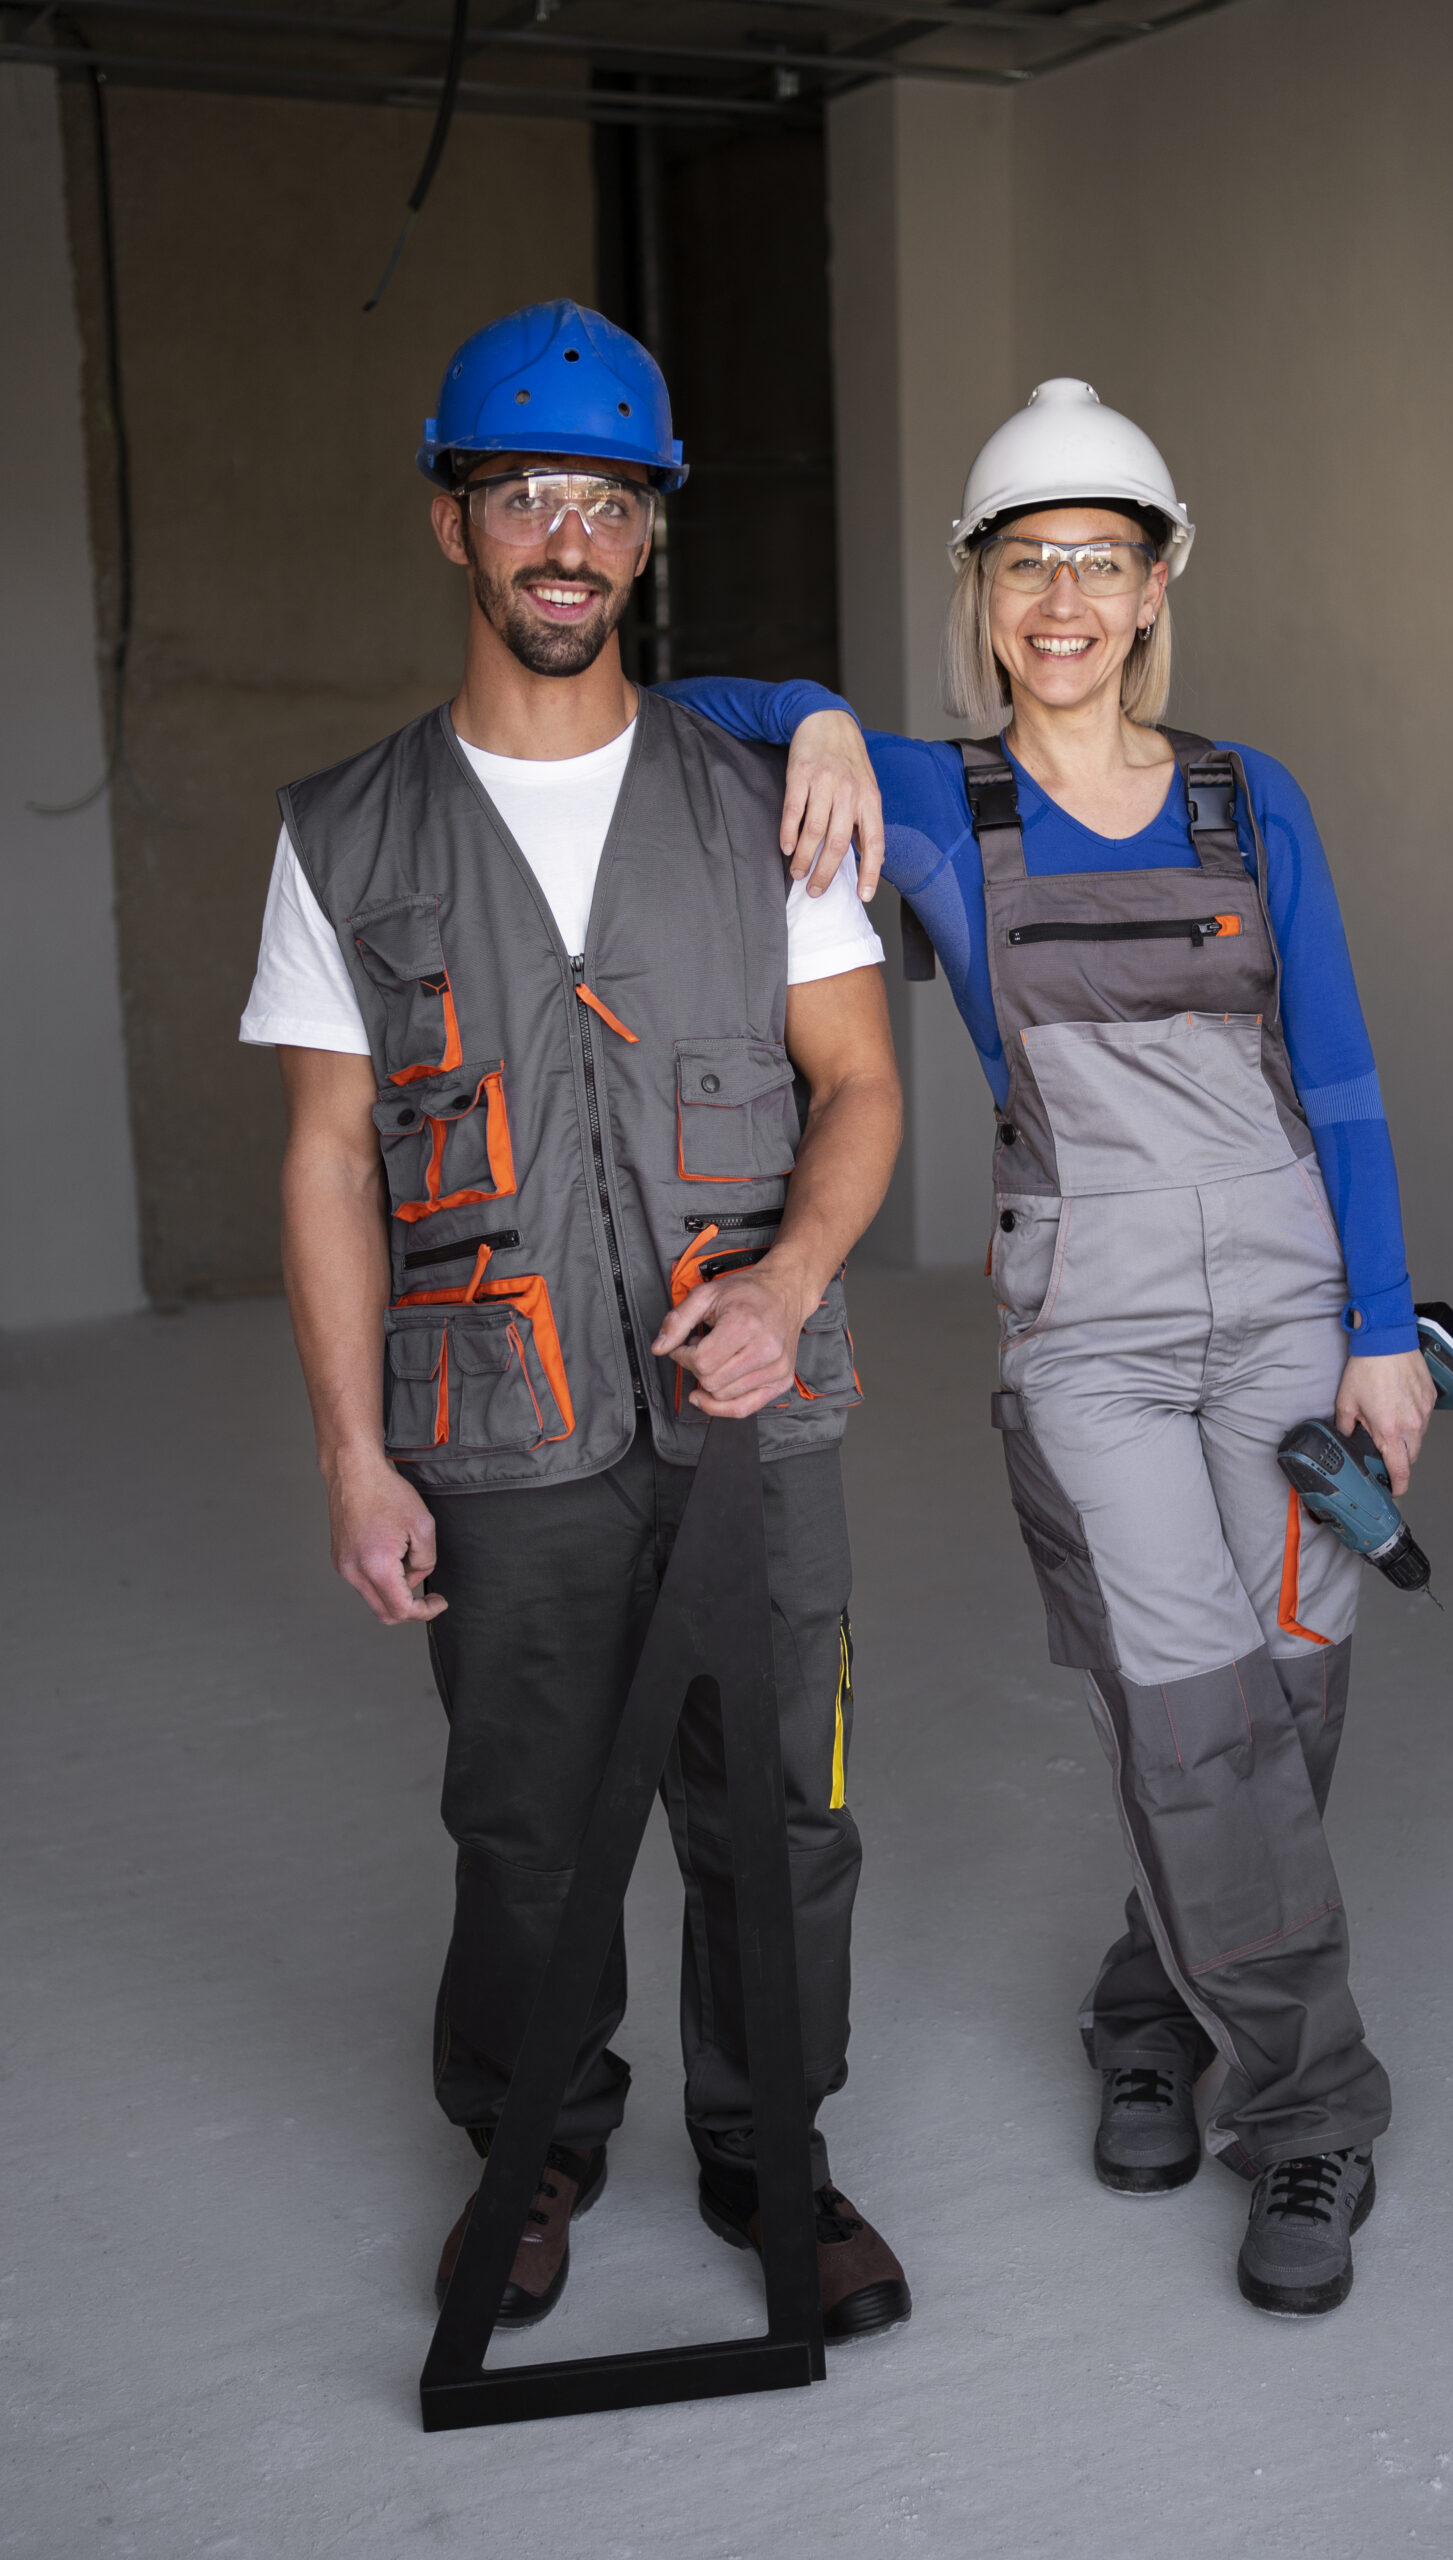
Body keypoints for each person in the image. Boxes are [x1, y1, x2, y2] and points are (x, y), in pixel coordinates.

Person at [665, 378, 1436, 2318]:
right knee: (1186, 1717)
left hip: (1285, 1317)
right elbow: (677, 717)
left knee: (1288, 1703)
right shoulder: (930, 799)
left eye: (1101, 557)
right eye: (1028, 563)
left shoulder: (1248, 798)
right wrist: (822, 716)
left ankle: (1143, 2008)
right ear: (980, 590)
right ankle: (1312, 2103)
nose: (1065, 597)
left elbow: (1334, 1073)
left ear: (1158, 576)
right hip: (1085, 1334)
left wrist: (1376, 1328)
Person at [238, 300, 914, 2342]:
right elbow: (327, 1158)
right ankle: (532, 2147)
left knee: (777, 1807)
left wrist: (785, 1289)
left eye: (604, 500)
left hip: (752, 1425)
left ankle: (770, 2145)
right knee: (525, 1820)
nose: (563, 536)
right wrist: (355, 1454)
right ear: (451, 520)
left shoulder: (765, 804)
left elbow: (864, 1086)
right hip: (499, 1427)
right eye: (519, 492)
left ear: (646, 534)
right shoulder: (342, 833)